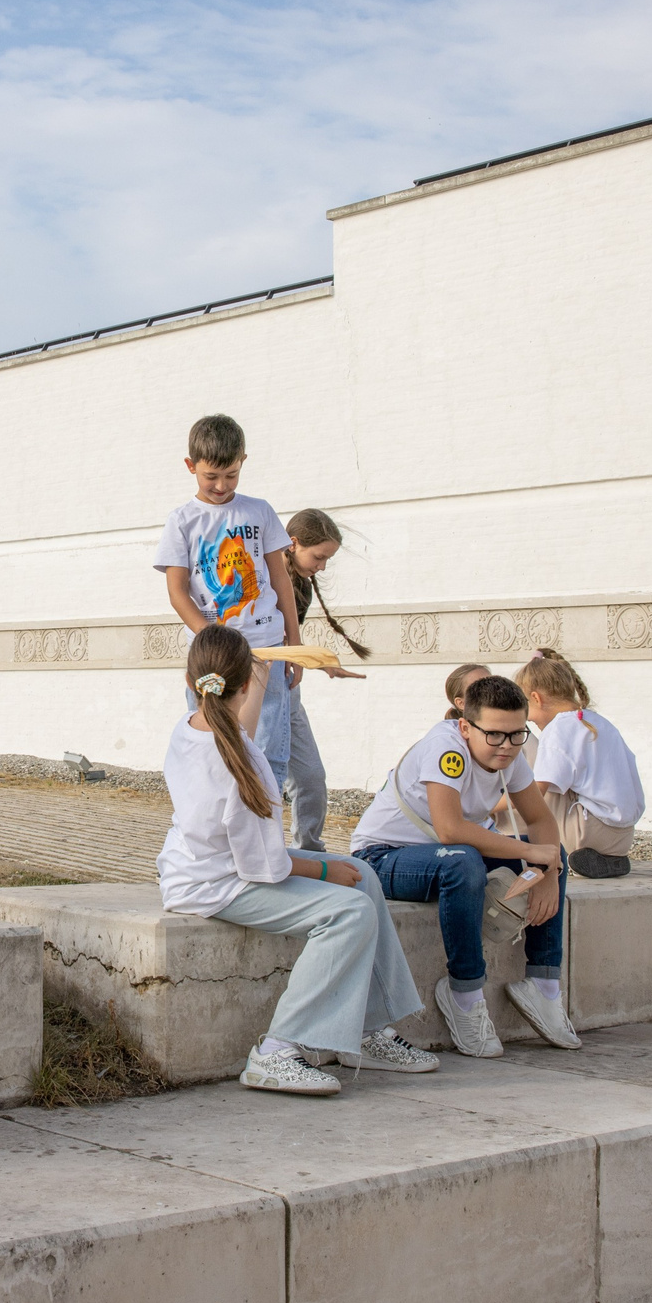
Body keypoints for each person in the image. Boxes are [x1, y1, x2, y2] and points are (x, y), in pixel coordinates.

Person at [158, 624, 432, 1094]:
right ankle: (278, 1051)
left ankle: (368, 1030)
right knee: (349, 910)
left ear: (191, 683)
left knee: (364, 874)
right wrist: (325, 867)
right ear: (244, 685)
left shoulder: (189, 731)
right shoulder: (246, 767)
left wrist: (262, 673)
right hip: (215, 883)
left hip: (209, 862)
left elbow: (234, 728)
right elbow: (264, 868)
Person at [349, 674, 581, 1056]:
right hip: (385, 855)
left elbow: (540, 823)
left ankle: (543, 985)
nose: (505, 746)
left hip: (452, 855)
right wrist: (536, 856)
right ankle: (465, 994)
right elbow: (449, 829)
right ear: (464, 725)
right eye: (493, 735)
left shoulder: (510, 754)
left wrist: (548, 872)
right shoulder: (446, 749)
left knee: (554, 852)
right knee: (464, 860)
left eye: (516, 734)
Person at [155, 415, 302, 790]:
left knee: (268, 750)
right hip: (213, 656)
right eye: (211, 477)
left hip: (265, 647)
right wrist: (213, 639)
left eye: (231, 475)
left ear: (243, 461)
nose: (221, 486)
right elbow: (177, 591)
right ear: (191, 467)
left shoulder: (260, 511)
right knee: (209, 746)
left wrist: (295, 643)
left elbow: (281, 578)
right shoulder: (182, 521)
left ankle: (266, 835)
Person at [278, 508, 370, 852]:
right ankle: (266, 853)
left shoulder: (300, 584)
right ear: (293, 543)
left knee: (311, 777)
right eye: (319, 557)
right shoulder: (268, 581)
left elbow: (290, 642)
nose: (322, 566)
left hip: (287, 693)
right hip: (260, 692)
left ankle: (309, 850)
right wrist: (318, 661)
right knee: (266, 779)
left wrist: (322, 664)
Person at [515, 648, 644, 880]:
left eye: (526, 707)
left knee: (537, 784)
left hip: (588, 834)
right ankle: (610, 859)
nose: (528, 718)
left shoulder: (558, 728)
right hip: (622, 838)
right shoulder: (598, 721)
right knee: (561, 777)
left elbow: (535, 793)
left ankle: (547, 850)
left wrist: (489, 805)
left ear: (536, 698)